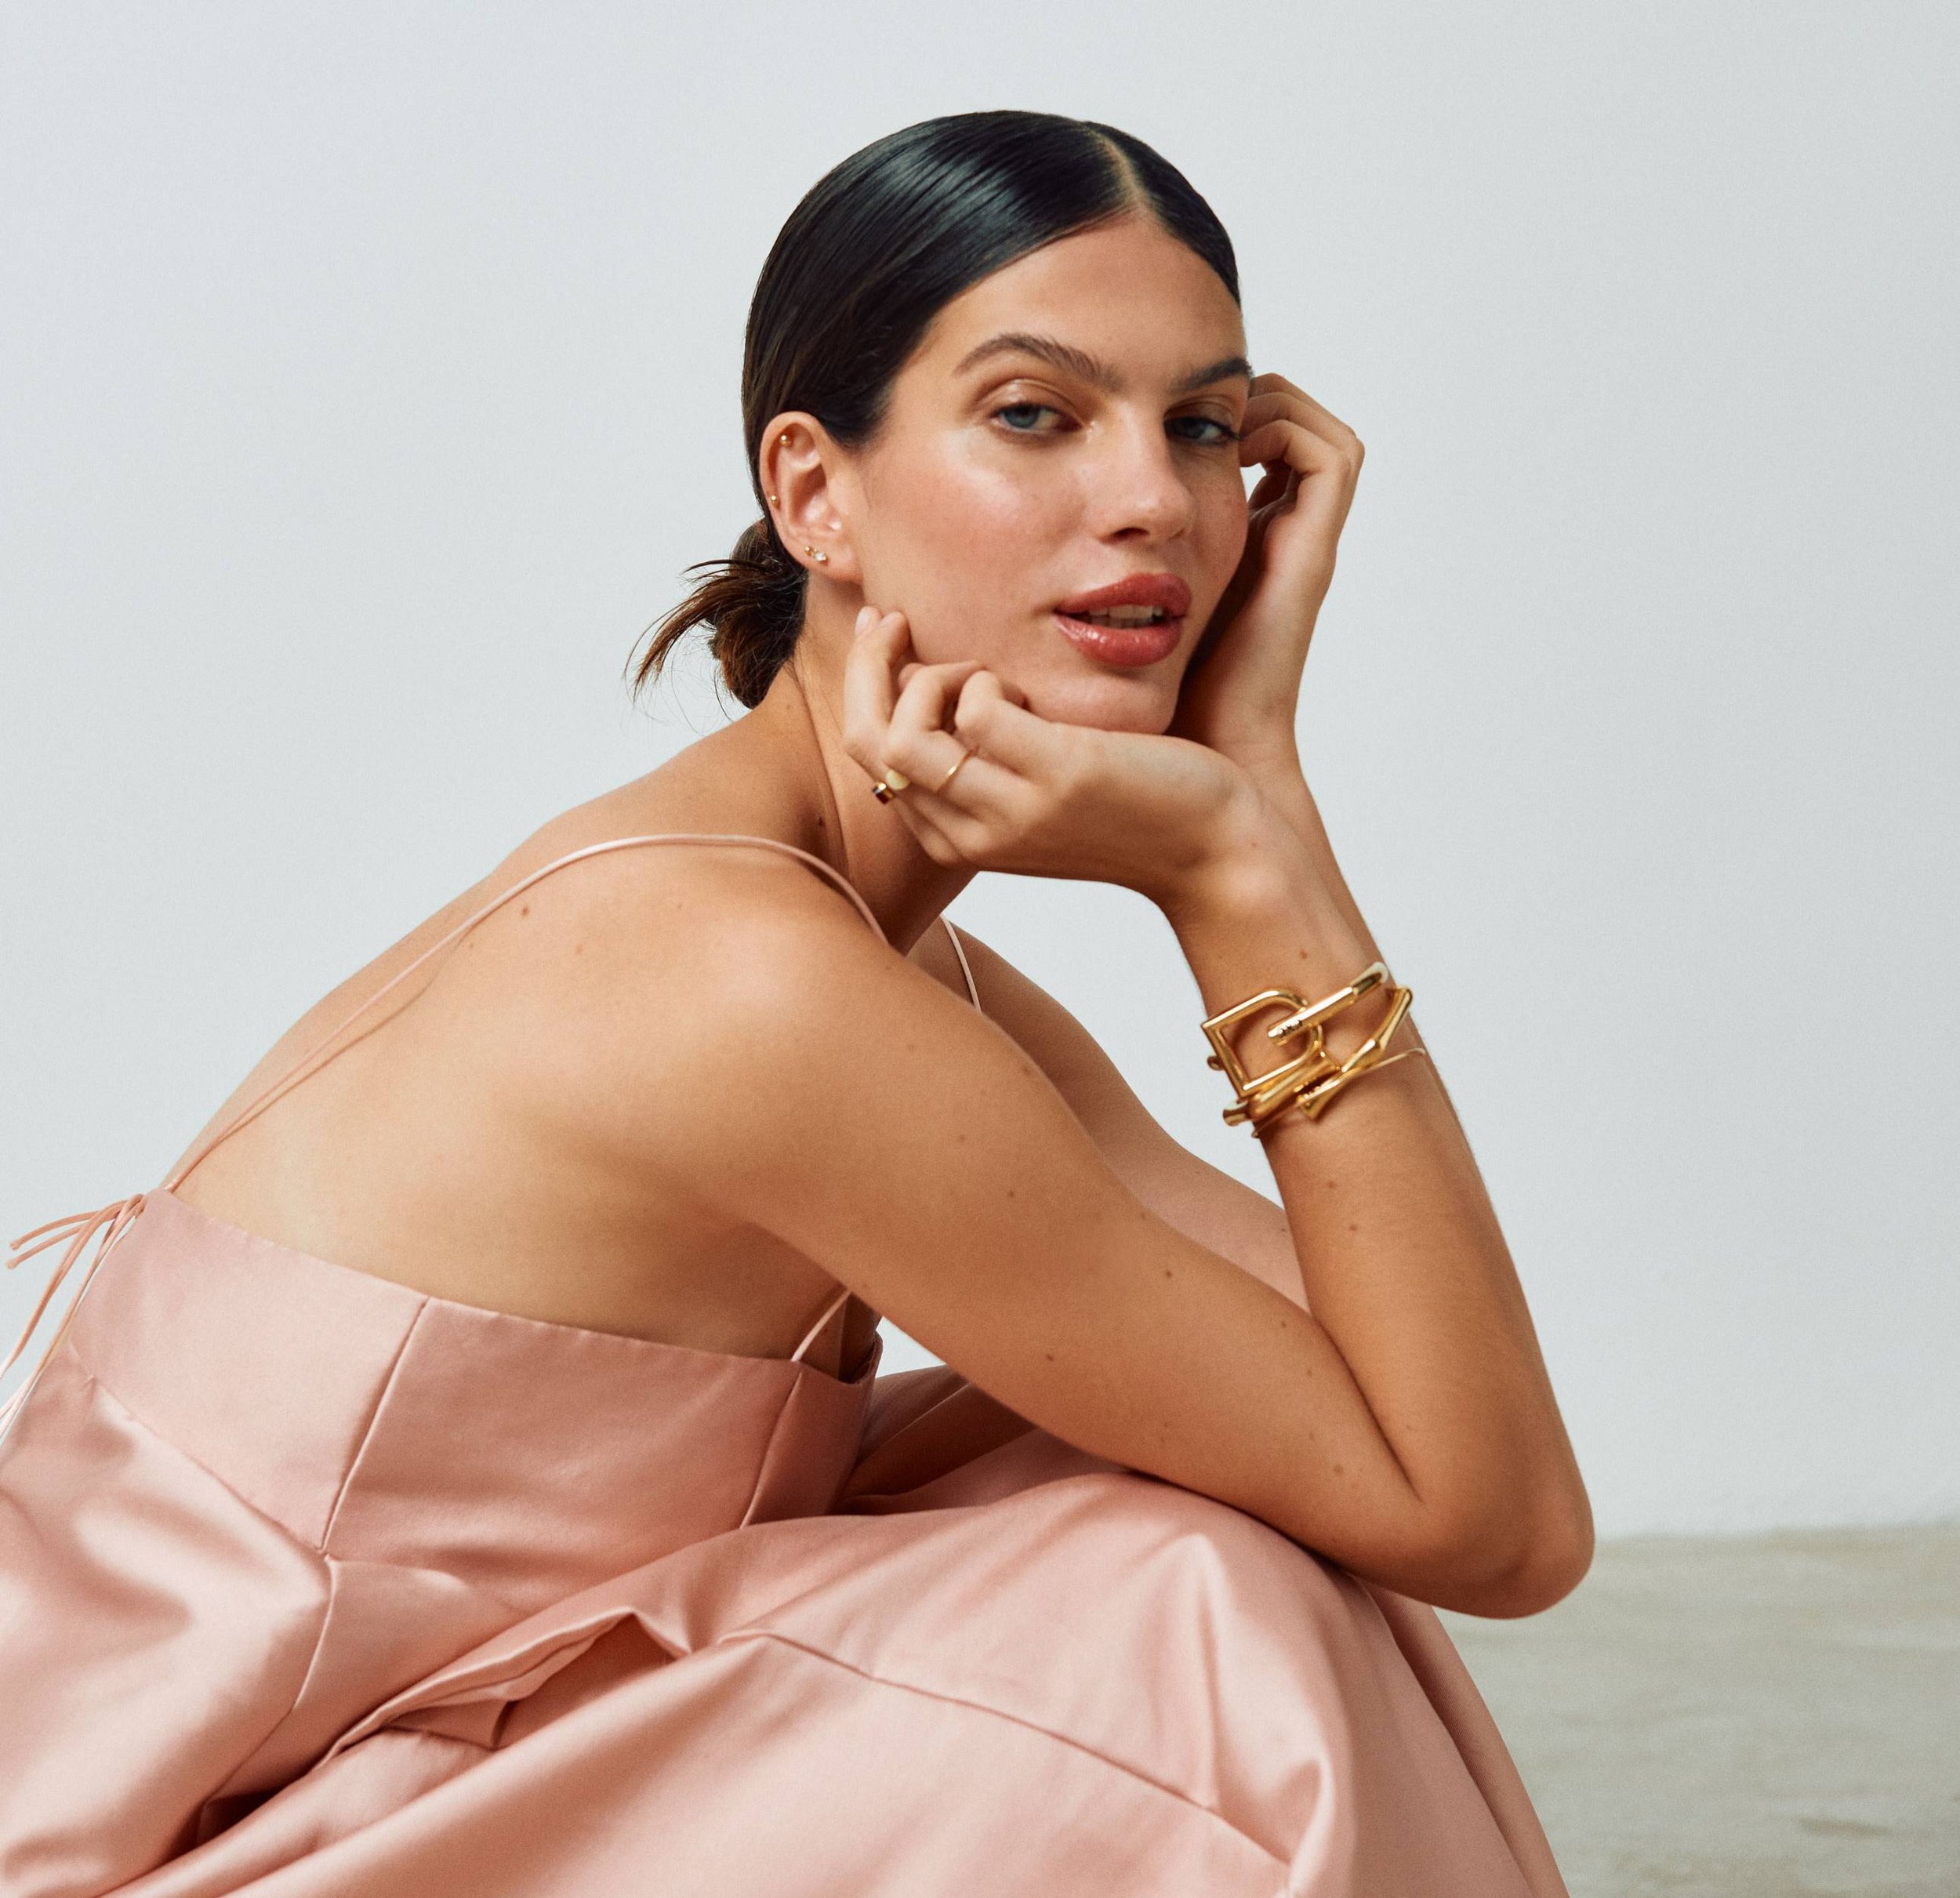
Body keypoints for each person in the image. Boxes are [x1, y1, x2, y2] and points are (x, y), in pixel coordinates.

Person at [0, 108, 1589, 1896]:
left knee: (1203, 1489)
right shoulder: (742, 979)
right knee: (1185, 1611)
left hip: (384, 1769)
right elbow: (1489, 1521)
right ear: (812, 492)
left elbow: (1435, 1421)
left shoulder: (894, 972)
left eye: (1204, 425)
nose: (1150, 495)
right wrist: (1230, 873)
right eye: (1034, 413)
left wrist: (1260, 798)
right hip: (159, 1852)